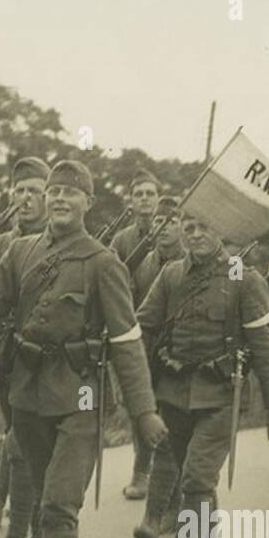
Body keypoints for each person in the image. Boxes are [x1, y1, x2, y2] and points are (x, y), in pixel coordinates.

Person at [0, 159, 168, 538]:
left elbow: (128, 340)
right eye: (54, 191)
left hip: (81, 399)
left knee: (59, 506)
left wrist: (143, 411)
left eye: (71, 193)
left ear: (88, 203)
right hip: (27, 396)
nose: (60, 199)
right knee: (48, 504)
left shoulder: (103, 262)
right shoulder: (19, 253)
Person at [136, 210, 269, 538]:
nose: (196, 233)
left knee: (195, 480)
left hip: (221, 396)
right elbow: (145, 327)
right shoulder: (170, 275)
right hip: (174, 395)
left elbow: (264, 346)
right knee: (199, 485)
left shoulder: (244, 277)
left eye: (205, 226)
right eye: (189, 227)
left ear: (221, 231)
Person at [0, 156, 50, 535]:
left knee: (26, 435)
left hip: (42, 354)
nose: (26, 198)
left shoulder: (59, 239)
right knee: (16, 428)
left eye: (34, 191)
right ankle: (12, 505)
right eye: (19, 190)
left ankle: (11, 508)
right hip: (8, 352)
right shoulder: (1, 242)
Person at [131, 196, 188, 538]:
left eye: (171, 220)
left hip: (183, 360)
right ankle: (163, 509)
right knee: (158, 429)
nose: (163, 227)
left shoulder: (189, 262)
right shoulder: (144, 262)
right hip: (149, 353)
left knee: (174, 437)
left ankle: (158, 515)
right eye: (159, 222)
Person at [108, 169, 162, 501]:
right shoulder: (122, 240)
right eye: (138, 194)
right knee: (138, 404)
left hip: (171, 333)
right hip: (134, 333)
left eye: (149, 193)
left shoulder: (175, 235)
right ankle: (142, 472)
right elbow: (114, 278)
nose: (144, 199)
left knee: (167, 404)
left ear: (159, 199)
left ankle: (165, 473)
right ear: (130, 201)